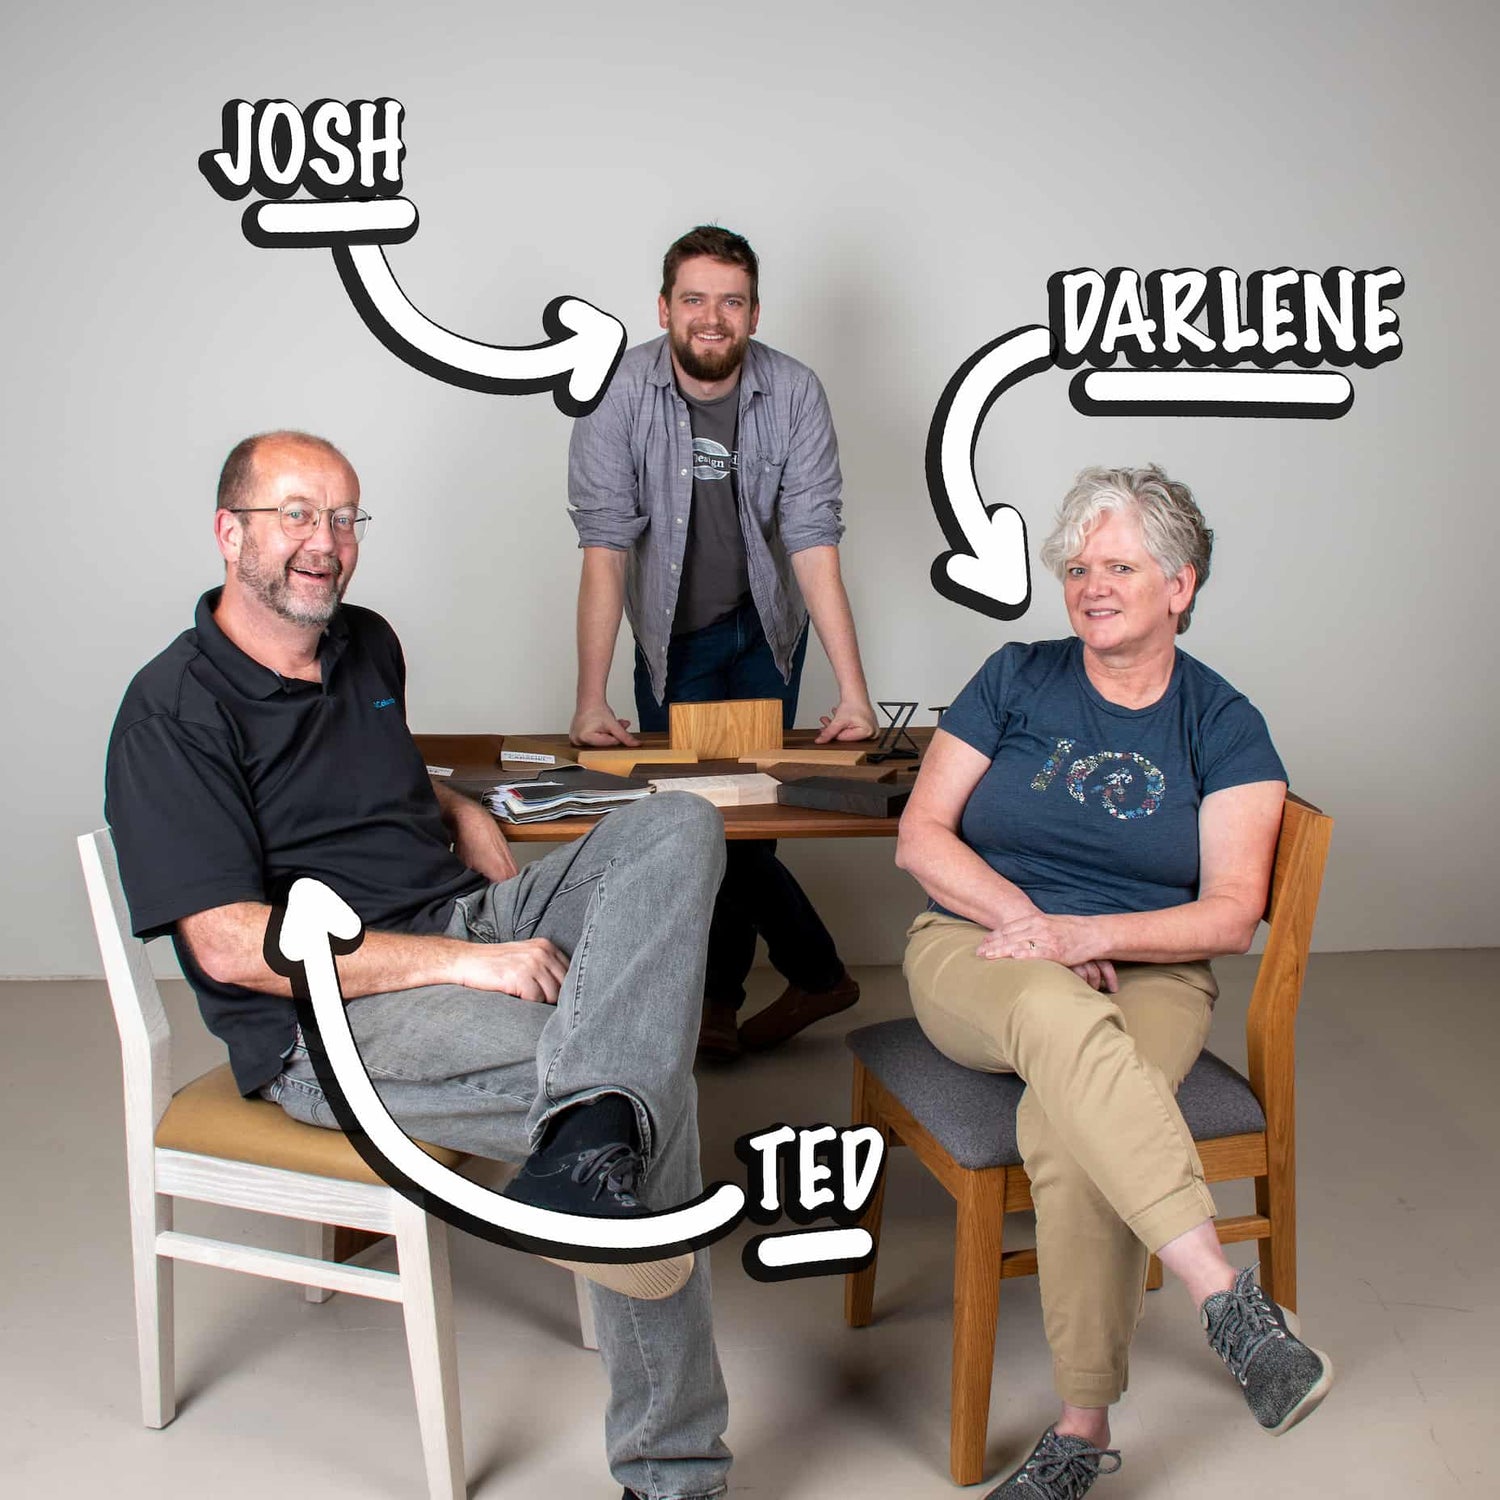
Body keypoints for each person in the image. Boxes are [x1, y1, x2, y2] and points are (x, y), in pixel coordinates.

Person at [104, 431, 731, 1500]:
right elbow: (229, 946)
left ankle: (585, 1151)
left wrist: (453, 801)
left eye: (344, 518)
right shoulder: (173, 713)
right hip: (331, 1021)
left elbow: (352, 781)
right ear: (230, 532)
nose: (326, 543)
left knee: (677, 825)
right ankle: (675, 1477)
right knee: (634, 1091)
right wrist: (460, 964)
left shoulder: (366, 644)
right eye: (296, 514)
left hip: (467, 916)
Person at [895, 465, 1333, 1498]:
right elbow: (921, 838)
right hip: (979, 948)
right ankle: (1227, 1298)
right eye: (1079, 567)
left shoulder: (1224, 724)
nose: (1092, 585)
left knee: (1064, 1127)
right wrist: (1034, 926)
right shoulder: (1016, 676)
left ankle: (1081, 1431)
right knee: (1053, 1008)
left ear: (1180, 584)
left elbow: (1229, 912)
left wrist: (1094, 930)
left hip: (1154, 973)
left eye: (1121, 566)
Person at [567, 224, 876, 1061]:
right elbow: (604, 549)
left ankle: (718, 1004)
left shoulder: (795, 391)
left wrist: (854, 691)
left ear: (753, 312)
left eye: (730, 302)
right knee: (693, 821)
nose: (713, 317)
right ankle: (810, 973)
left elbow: (813, 542)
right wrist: (591, 697)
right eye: (695, 299)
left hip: (767, 633)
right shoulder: (618, 392)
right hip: (674, 639)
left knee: (750, 825)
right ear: (664, 306)